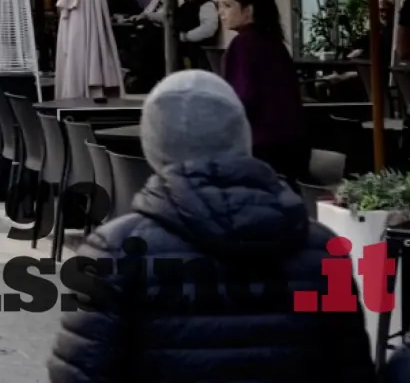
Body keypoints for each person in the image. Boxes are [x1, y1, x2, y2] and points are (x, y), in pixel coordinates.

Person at [46, 70, 375, 383]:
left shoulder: (114, 252)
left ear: (154, 147)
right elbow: (352, 370)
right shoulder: (320, 249)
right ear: (242, 136)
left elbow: (80, 373)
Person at [219, 0, 309, 185]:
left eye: (228, 6)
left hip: (260, 149)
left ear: (249, 11)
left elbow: (241, 99)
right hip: (293, 148)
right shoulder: (274, 44)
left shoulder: (243, 45)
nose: (221, 12)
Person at [143, 0, 220, 71]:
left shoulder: (206, 4)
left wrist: (186, 37)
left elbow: (209, 28)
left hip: (193, 51)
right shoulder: (188, 3)